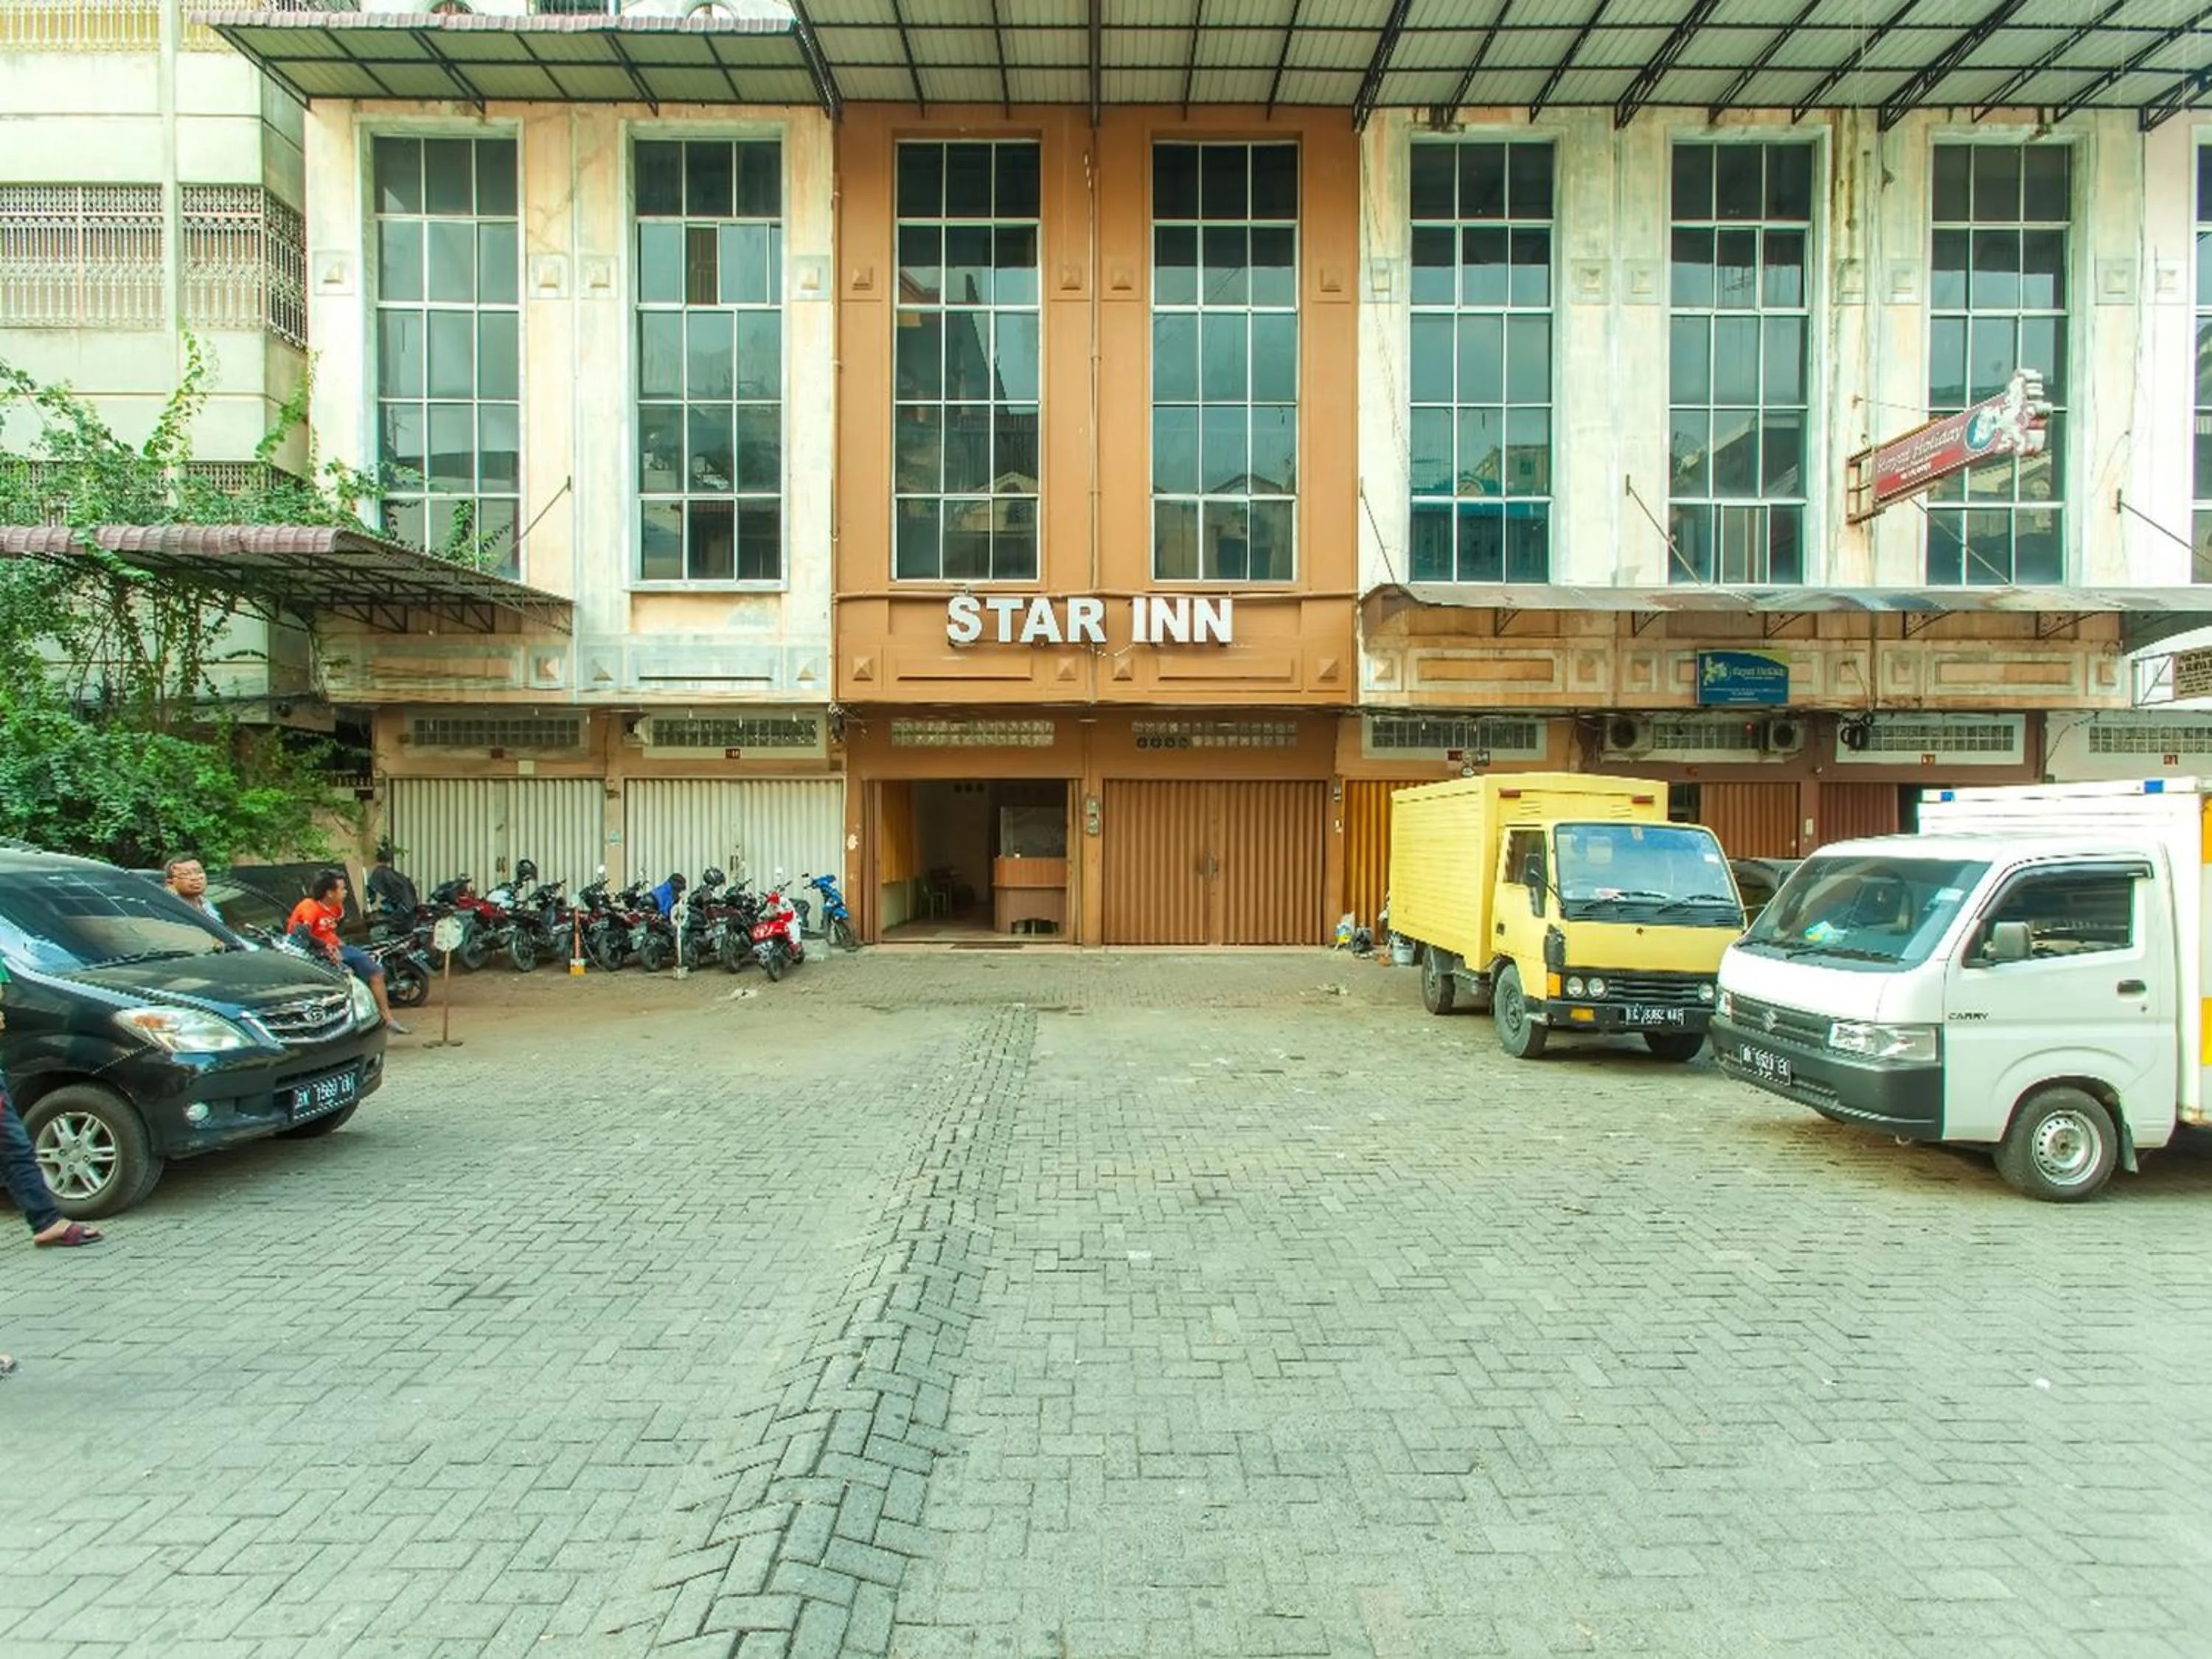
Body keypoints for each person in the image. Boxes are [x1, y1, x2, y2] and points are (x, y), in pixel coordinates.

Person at [288, 869, 409, 1035]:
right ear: (329, 893)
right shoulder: (309, 907)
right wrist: (324, 947)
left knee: (375, 971)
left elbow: (335, 927)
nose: (345, 892)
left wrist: (336, 943)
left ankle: (387, 1017)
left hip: (337, 948)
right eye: (342, 889)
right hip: (312, 952)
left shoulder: (337, 907)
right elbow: (301, 934)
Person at [364, 844, 420, 930]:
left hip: (398, 913)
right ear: (390, 861)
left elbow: (371, 896)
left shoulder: (378, 874)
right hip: (408, 911)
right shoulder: (399, 877)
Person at [163, 855, 224, 925]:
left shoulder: (205, 903)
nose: (195, 878)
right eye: (186, 874)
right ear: (170, 883)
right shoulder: (168, 910)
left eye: (199, 872)